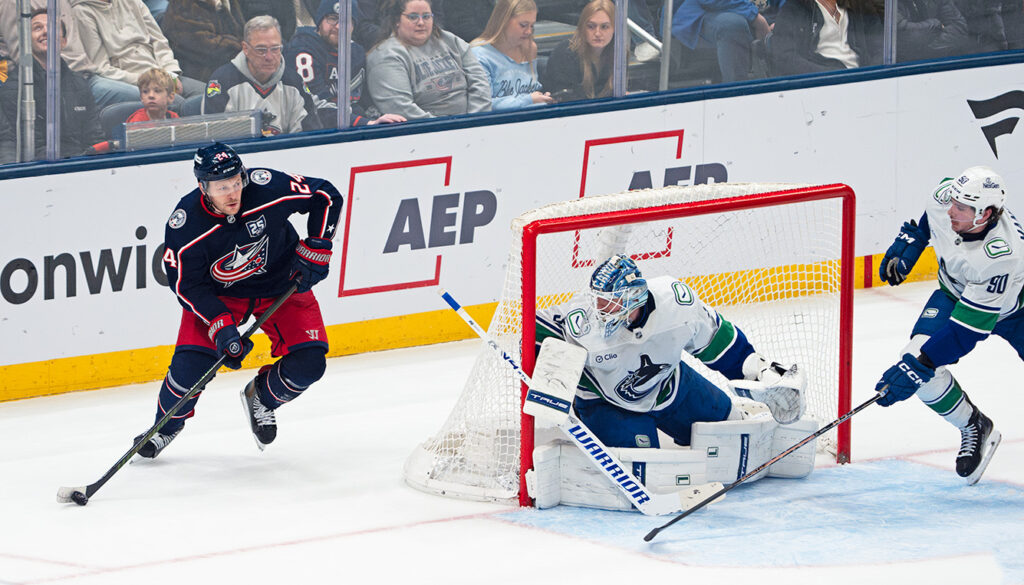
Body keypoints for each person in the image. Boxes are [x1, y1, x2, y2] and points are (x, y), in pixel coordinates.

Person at [135, 141, 342, 458]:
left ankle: (262, 397)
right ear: (203, 187)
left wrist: (318, 246)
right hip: (220, 296)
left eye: (235, 183)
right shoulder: (186, 224)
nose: (232, 194)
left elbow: (326, 195)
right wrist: (220, 326)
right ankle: (164, 428)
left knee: (309, 365)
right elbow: (186, 285)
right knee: (189, 372)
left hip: (280, 282)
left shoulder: (266, 186)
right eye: (221, 187)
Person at [535, 254, 806, 451]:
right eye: (598, 300)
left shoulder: (676, 303)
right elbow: (535, 329)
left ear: (634, 297)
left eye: (610, 301)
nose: (601, 309)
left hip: (672, 387)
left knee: (731, 435)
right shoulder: (582, 322)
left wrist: (761, 372)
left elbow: (719, 343)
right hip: (607, 403)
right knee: (642, 472)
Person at [874, 166, 1008, 485]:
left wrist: (919, 365)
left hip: (1011, 308)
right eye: (953, 201)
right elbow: (932, 216)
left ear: (985, 214)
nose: (951, 209)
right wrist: (915, 239)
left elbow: (963, 333)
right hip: (953, 294)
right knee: (914, 355)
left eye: (960, 208)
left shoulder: (1001, 254)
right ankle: (973, 424)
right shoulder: (947, 197)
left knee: (919, 362)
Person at [0, 8, 103, 159]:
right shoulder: (16, 88)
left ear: (64, 41)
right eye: (37, 28)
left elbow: (95, 137)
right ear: (26, 41)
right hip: (46, 172)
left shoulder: (80, 84)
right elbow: (31, 148)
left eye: (52, 27)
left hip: (84, 166)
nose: (46, 32)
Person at [285, 0, 406, 126]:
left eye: (346, 21)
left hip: (356, 126)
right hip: (321, 132)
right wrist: (367, 123)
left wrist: (378, 119)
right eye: (332, 18)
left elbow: (363, 100)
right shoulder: (302, 50)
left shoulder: (356, 52)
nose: (338, 26)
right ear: (319, 21)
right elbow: (317, 108)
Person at [365, 0, 490, 120]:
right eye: (413, 17)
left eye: (426, 16)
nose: (421, 22)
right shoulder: (385, 56)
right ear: (397, 20)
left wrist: (474, 120)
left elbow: (480, 83)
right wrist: (450, 128)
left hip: (472, 125)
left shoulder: (450, 40)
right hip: (427, 133)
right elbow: (401, 109)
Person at [71, 0, 205, 108]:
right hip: (132, 79)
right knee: (177, 103)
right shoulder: (82, 11)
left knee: (212, 93)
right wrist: (149, 81)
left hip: (162, 72)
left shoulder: (135, 2)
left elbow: (159, 42)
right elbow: (102, 68)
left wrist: (171, 73)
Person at [203, 15, 320, 135]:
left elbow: (309, 136)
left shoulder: (294, 83)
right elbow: (215, 139)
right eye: (261, 50)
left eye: (275, 49)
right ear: (245, 48)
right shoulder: (222, 82)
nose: (269, 57)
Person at [470, 0, 551, 111]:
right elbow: (484, 105)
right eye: (523, 25)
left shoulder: (529, 47)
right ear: (503, 21)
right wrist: (529, 100)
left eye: (532, 26)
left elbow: (532, 92)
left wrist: (542, 98)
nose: (528, 31)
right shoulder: (479, 54)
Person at [768, 0, 882, 76]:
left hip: (865, 83)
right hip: (821, 88)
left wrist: (870, 75)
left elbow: (882, 46)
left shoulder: (859, 6)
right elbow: (784, 59)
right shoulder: (795, 9)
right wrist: (832, 75)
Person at [671, 0, 772, 83]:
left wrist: (780, 20)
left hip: (758, 15)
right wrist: (756, 18)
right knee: (732, 25)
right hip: (701, 12)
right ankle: (736, 94)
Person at [539, 0, 614, 103]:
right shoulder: (564, 54)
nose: (597, 33)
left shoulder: (618, 54)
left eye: (604, 27)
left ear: (614, 28)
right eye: (591, 26)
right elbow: (565, 100)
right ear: (582, 27)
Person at [160, 0, 247, 82]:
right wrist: (242, 48)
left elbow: (242, 33)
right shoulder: (183, 4)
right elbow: (202, 44)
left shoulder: (228, 2)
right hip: (200, 70)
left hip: (231, 62)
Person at [895, 0, 969, 62]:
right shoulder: (889, 4)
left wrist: (929, 50)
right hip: (903, 69)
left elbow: (959, 30)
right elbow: (903, 34)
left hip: (940, 62)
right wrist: (937, 25)